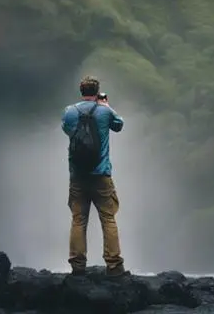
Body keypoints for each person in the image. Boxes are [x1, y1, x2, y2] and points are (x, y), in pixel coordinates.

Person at [60, 75, 128, 277]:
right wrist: (106, 106)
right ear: (97, 92)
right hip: (101, 174)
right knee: (108, 218)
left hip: (78, 175)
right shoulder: (104, 112)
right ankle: (114, 265)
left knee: (78, 219)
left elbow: (67, 130)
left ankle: (78, 265)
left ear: (81, 91)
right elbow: (119, 125)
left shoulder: (70, 112)